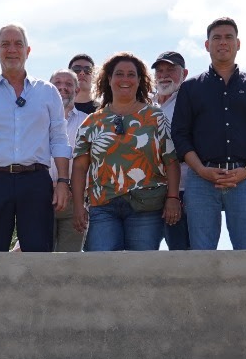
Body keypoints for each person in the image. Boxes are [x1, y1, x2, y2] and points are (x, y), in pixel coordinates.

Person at [0, 24, 70, 252]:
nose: (12, 50)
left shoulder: (48, 92)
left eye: (18, 44)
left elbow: (59, 139)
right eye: (5, 44)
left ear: (28, 51)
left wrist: (62, 182)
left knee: (39, 255)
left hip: (36, 181)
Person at [171, 17, 246, 251]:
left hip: (245, 179)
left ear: (238, 44)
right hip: (201, 179)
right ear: (207, 45)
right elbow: (180, 135)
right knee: (202, 254)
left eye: (229, 37)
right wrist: (200, 170)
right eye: (216, 37)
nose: (223, 42)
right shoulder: (190, 88)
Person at [69, 52, 180, 252]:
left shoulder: (155, 117)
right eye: (119, 74)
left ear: (140, 81)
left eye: (131, 74)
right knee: (101, 268)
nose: (125, 79)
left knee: (140, 269)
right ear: (109, 79)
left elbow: (171, 161)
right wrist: (78, 206)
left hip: (147, 206)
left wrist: (173, 198)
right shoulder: (92, 122)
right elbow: (79, 167)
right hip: (102, 206)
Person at [151, 51, 191, 250]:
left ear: (184, 73)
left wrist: (174, 196)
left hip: (184, 189)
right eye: (160, 71)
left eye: (171, 70)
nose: (164, 75)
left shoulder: (190, 101)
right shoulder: (146, 103)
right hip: (149, 190)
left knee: (182, 252)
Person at [50, 69, 89, 252]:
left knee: (70, 262)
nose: (62, 88)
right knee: (38, 258)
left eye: (68, 84)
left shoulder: (88, 122)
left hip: (75, 200)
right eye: (57, 83)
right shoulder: (36, 120)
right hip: (41, 197)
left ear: (77, 91)